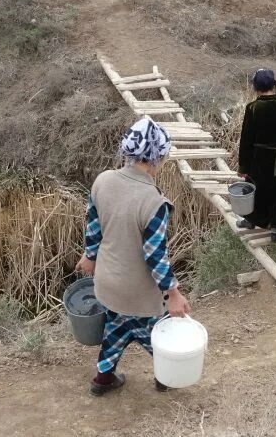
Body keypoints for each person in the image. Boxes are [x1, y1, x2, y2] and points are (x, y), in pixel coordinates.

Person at [75, 117, 192, 396]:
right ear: (157, 157)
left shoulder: (103, 181)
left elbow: (93, 226)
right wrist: (173, 293)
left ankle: (103, 378)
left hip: (107, 283)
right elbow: (155, 255)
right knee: (157, 331)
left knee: (117, 327)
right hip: (138, 290)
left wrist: (90, 256)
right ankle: (167, 376)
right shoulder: (154, 201)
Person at [237, 69, 276, 242]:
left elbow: (246, 139)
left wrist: (243, 166)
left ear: (255, 87)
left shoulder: (253, 109)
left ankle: (251, 220)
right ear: (274, 85)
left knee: (257, 188)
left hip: (260, 159)